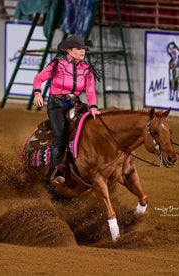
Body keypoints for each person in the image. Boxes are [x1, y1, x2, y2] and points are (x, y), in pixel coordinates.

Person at [32, 35, 101, 195]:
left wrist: (93, 107)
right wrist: (37, 93)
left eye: (83, 48)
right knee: (60, 135)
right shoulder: (58, 64)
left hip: (74, 105)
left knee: (87, 129)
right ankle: (52, 176)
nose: (82, 51)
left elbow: (90, 90)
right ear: (69, 51)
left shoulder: (87, 69)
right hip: (56, 105)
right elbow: (39, 78)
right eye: (78, 48)